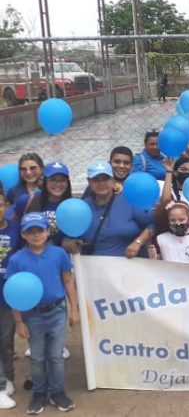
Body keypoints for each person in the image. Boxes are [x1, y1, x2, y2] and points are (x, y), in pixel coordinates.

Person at [7, 212, 78, 413]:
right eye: (30, 231)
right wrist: (19, 322)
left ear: (48, 232)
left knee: (56, 356)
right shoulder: (16, 260)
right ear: (23, 235)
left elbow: (68, 281)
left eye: (40, 230)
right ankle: (39, 393)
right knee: (37, 357)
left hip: (57, 311)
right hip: (32, 316)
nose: (36, 235)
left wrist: (74, 309)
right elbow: (14, 292)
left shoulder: (59, 254)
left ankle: (57, 392)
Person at [65, 162, 153, 258]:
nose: (101, 183)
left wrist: (138, 242)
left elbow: (152, 225)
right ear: (89, 182)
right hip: (94, 264)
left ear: (112, 180)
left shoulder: (130, 200)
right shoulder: (82, 207)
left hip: (130, 263)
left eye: (105, 178)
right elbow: (68, 238)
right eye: (96, 180)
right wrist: (70, 244)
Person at [13, 162, 72, 246]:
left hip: (60, 252)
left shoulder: (73, 206)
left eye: (62, 180)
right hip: (30, 251)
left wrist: (69, 242)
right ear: (45, 181)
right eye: (53, 179)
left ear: (67, 182)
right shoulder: (26, 201)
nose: (58, 184)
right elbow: (13, 227)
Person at [0, 192, 20, 408]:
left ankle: (8, 378)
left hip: (8, 295)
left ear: (6, 207)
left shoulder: (15, 229)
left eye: (0, 204)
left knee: (6, 340)